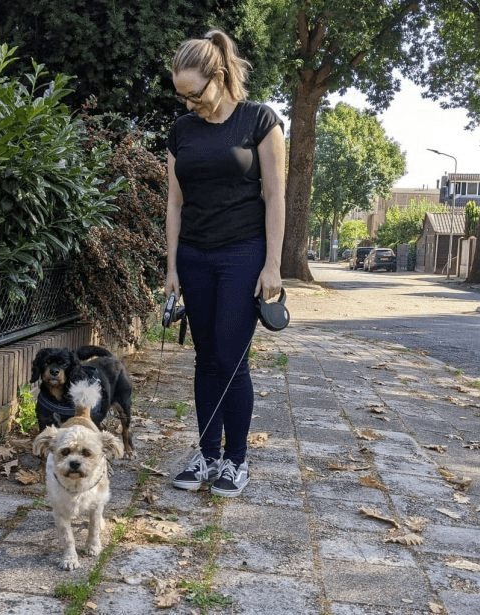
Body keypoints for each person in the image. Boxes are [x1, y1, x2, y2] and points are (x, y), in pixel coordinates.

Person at [164, 29, 286, 497]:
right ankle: (207, 454)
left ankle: (236, 459)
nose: (189, 105)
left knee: (231, 358)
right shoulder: (181, 131)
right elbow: (174, 202)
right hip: (194, 255)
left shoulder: (259, 121)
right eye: (181, 96)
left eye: (194, 95)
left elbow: (275, 196)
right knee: (205, 358)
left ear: (219, 77)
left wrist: (272, 264)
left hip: (242, 254)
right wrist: (172, 265)